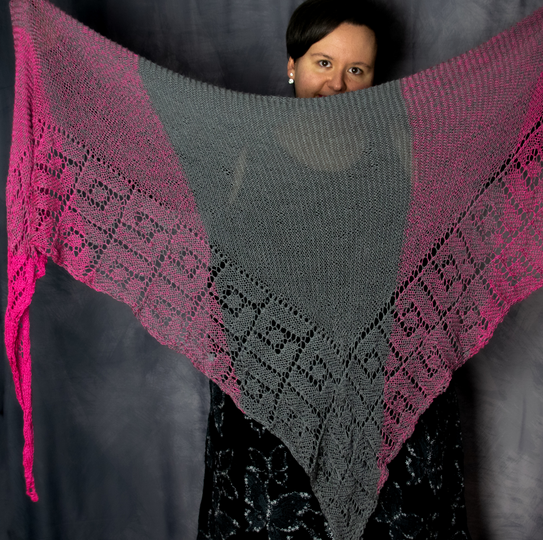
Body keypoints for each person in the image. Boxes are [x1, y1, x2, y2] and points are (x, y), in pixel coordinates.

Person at [197, 1, 471, 538]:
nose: (338, 85)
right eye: (324, 63)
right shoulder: (247, 151)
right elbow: (223, 282)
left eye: (356, 70)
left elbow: (435, 271)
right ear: (292, 64)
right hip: (278, 405)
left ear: (373, 78)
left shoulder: (401, 150)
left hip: (383, 405)